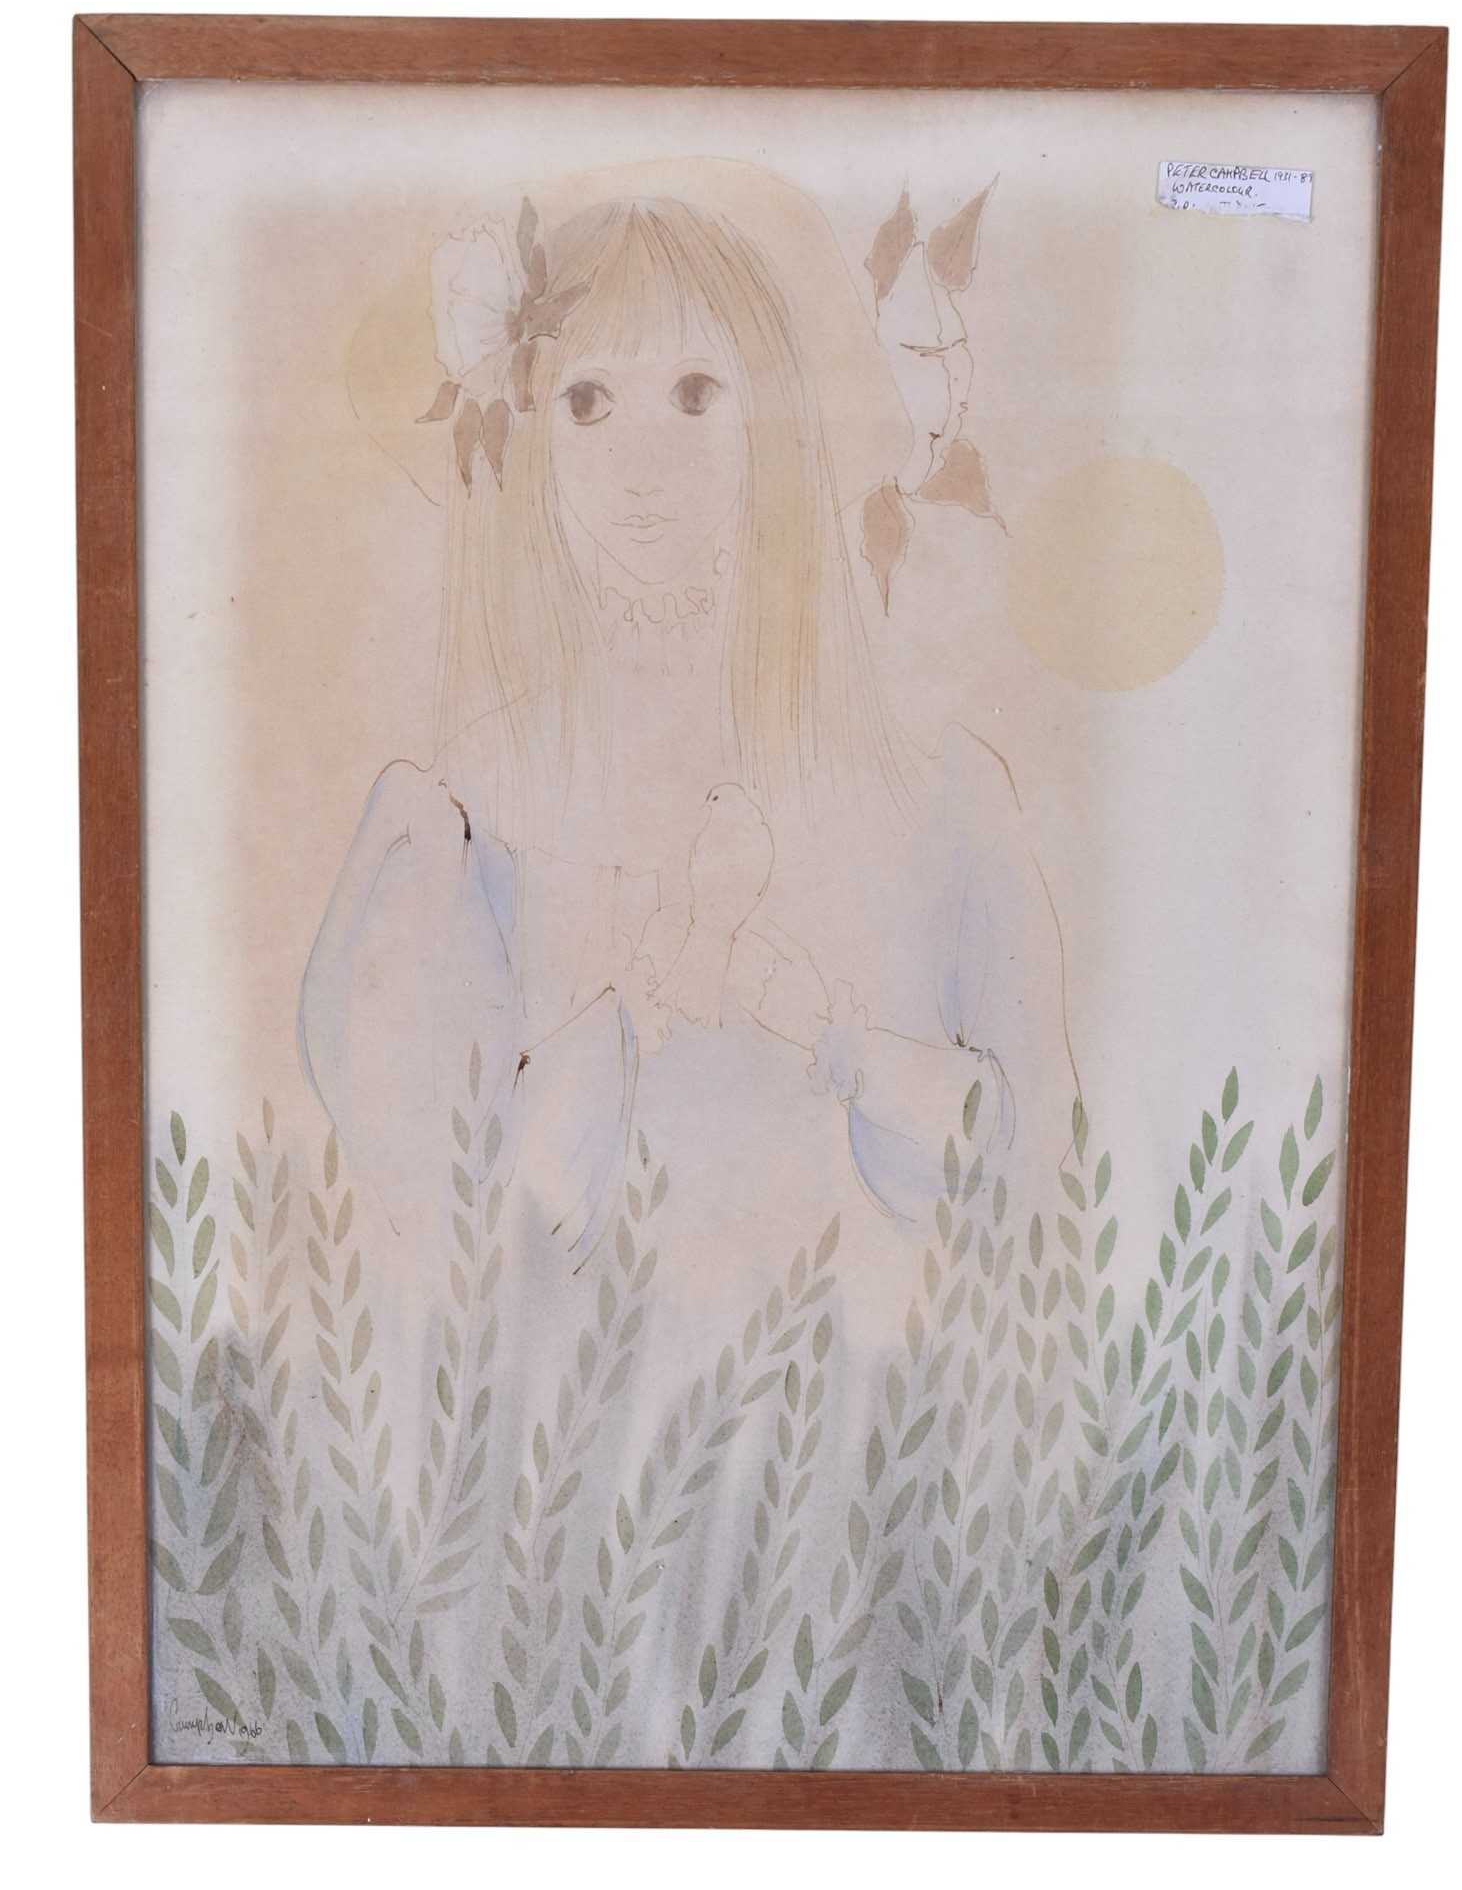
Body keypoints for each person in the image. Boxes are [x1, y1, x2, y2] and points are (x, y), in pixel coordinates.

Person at [299, 178, 1078, 1346]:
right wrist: (644, 1008)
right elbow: (442, 1237)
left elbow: (1047, 1199)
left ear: (775, 415)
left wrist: (845, 1047)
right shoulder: (465, 810)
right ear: (524, 429)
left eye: (697, 393)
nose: (642, 462)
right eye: (587, 400)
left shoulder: (936, 799)